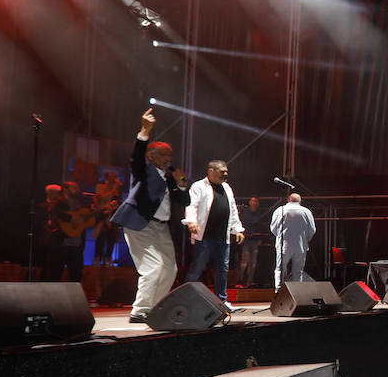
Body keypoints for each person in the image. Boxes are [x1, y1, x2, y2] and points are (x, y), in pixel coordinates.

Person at [110, 109, 190, 322]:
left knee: (170, 269)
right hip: (140, 223)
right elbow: (135, 156)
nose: (167, 159)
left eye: (169, 156)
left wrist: (181, 184)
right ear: (151, 156)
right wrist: (145, 130)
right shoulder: (143, 170)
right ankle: (139, 311)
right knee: (153, 267)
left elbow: (185, 202)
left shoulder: (170, 178)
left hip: (161, 227)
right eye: (163, 155)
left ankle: (155, 308)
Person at [182, 160, 244, 307]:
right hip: (205, 237)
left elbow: (233, 209)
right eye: (222, 171)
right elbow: (192, 205)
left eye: (226, 171)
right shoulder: (199, 186)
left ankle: (221, 300)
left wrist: (238, 229)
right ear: (211, 171)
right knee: (197, 267)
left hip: (222, 237)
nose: (226, 174)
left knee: (222, 270)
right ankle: (184, 298)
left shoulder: (227, 187)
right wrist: (191, 221)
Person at [42, 181, 88, 282]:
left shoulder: (81, 204)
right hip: (61, 245)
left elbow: (88, 219)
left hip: (76, 247)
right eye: (74, 188)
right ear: (66, 190)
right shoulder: (58, 202)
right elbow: (53, 211)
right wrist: (70, 219)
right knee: (55, 276)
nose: (77, 190)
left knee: (76, 277)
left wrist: (104, 212)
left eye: (77, 188)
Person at [270, 192, 315, 288]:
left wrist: (280, 236)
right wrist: (307, 239)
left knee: (280, 270)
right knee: (298, 271)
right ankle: (297, 293)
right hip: (301, 246)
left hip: (283, 245)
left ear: (288, 200)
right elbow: (312, 229)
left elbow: (273, 228)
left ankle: (278, 292)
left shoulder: (280, 210)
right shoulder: (306, 211)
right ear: (300, 201)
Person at [91, 170, 123, 265]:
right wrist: (115, 189)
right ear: (106, 179)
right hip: (102, 215)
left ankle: (109, 257)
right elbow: (104, 197)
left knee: (111, 238)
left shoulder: (116, 191)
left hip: (112, 217)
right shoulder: (100, 187)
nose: (113, 180)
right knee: (100, 237)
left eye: (114, 178)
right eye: (110, 178)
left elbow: (117, 201)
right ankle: (97, 257)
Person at [237, 196, 269, 287]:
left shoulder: (259, 214)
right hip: (246, 240)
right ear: (250, 202)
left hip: (255, 241)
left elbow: (261, 227)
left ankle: (249, 282)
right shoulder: (245, 213)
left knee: (253, 263)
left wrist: (260, 239)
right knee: (244, 262)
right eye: (253, 201)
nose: (254, 203)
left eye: (256, 201)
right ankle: (240, 281)